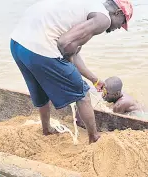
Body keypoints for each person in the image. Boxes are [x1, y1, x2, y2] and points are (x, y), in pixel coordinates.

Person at [9, 0, 133, 144]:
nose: (118, 27)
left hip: (18, 43)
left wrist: (95, 80)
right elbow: (65, 44)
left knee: (41, 89)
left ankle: (46, 130)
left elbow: (72, 50)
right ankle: (94, 137)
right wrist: (70, 69)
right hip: (41, 47)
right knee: (83, 93)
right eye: (122, 22)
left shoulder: (86, 7)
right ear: (117, 12)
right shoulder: (103, 19)